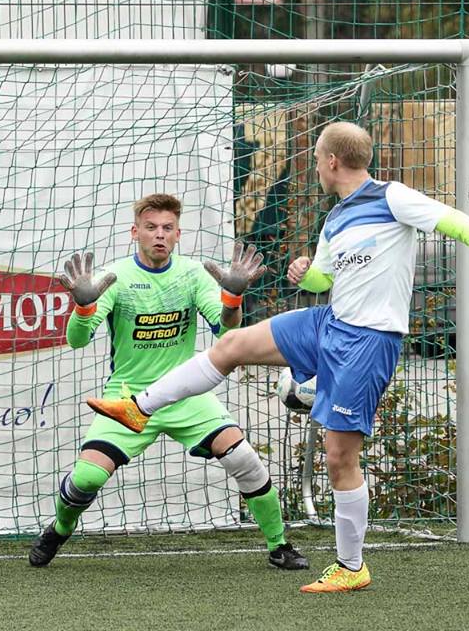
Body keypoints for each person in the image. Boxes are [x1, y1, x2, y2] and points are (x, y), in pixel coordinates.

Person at [87, 122, 469, 593]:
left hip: (367, 342)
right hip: (328, 323)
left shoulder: (391, 197)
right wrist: (305, 272)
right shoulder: (335, 218)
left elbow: (464, 224)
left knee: (339, 459)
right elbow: (322, 280)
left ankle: (351, 566)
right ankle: (139, 408)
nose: (315, 166)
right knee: (231, 345)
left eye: (317, 158)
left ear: (332, 161)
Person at [28, 193, 309, 571]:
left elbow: (227, 332)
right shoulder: (115, 277)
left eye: (167, 228)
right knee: (87, 478)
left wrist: (233, 298)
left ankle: (279, 545)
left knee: (244, 458)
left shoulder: (192, 274)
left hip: (185, 393)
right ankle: (60, 528)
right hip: (128, 398)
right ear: (135, 232)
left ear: (178, 234)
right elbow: (77, 340)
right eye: (151, 227)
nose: (159, 234)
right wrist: (83, 307)